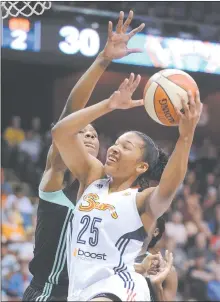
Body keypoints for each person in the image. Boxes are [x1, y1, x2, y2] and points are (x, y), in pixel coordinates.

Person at [23, 10, 145, 302]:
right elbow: (69, 115)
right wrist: (103, 60)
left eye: (94, 134)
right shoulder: (54, 183)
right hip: (46, 294)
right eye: (82, 132)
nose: (90, 135)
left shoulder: (106, 197)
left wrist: (139, 265)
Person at [52, 69, 202, 300]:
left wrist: (185, 136)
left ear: (141, 166)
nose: (114, 148)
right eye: (116, 143)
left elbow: (169, 186)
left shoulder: (141, 199)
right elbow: (61, 132)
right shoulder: (93, 178)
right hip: (80, 289)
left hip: (120, 287)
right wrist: (108, 105)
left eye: (125, 147)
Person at [135, 217, 178, 301]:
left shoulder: (167, 271)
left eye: (145, 222)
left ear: (155, 232)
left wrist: (157, 286)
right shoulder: (114, 258)